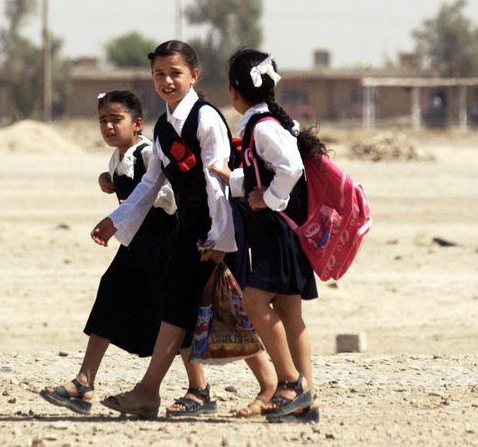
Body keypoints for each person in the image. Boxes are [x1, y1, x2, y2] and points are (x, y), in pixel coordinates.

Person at [91, 40, 276, 419]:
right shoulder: (163, 128)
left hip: (219, 226)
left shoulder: (206, 120)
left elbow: (218, 184)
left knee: (229, 309)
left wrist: (221, 240)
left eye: (175, 73)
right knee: (178, 307)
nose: (167, 81)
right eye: (159, 74)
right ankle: (150, 392)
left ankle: (274, 384)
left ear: (193, 75)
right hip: (189, 229)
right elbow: (149, 185)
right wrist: (116, 221)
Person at [39, 90, 177, 415]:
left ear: (138, 124)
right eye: (103, 120)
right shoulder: (117, 159)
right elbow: (127, 185)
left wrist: (138, 200)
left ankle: (200, 388)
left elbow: (168, 193)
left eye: (116, 119)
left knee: (175, 316)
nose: (109, 127)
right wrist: (111, 182)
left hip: (160, 248)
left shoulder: (145, 153)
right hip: (135, 249)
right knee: (110, 295)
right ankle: (84, 382)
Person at [210, 48, 325, 423]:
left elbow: (288, 170)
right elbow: (268, 172)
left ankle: (289, 383)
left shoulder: (262, 128)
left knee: (255, 303)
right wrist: (236, 180)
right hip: (282, 233)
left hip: (277, 232)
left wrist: (269, 200)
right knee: (291, 312)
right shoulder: (268, 124)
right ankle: (306, 397)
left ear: (234, 92)